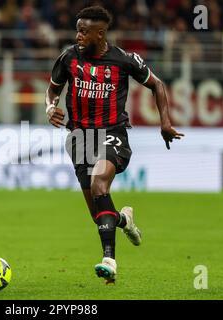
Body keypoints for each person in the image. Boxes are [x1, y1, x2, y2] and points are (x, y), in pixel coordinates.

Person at [44, 6, 184, 284]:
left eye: (84, 31)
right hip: (79, 138)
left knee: (99, 184)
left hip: (113, 134)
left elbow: (157, 85)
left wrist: (165, 122)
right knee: (100, 216)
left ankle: (109, 260)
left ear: (101, 33)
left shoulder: (124, 60)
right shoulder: (68, 57)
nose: (78, 35)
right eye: (77, 30)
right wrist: (50, 108)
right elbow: (52, 90)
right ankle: (124, 221)